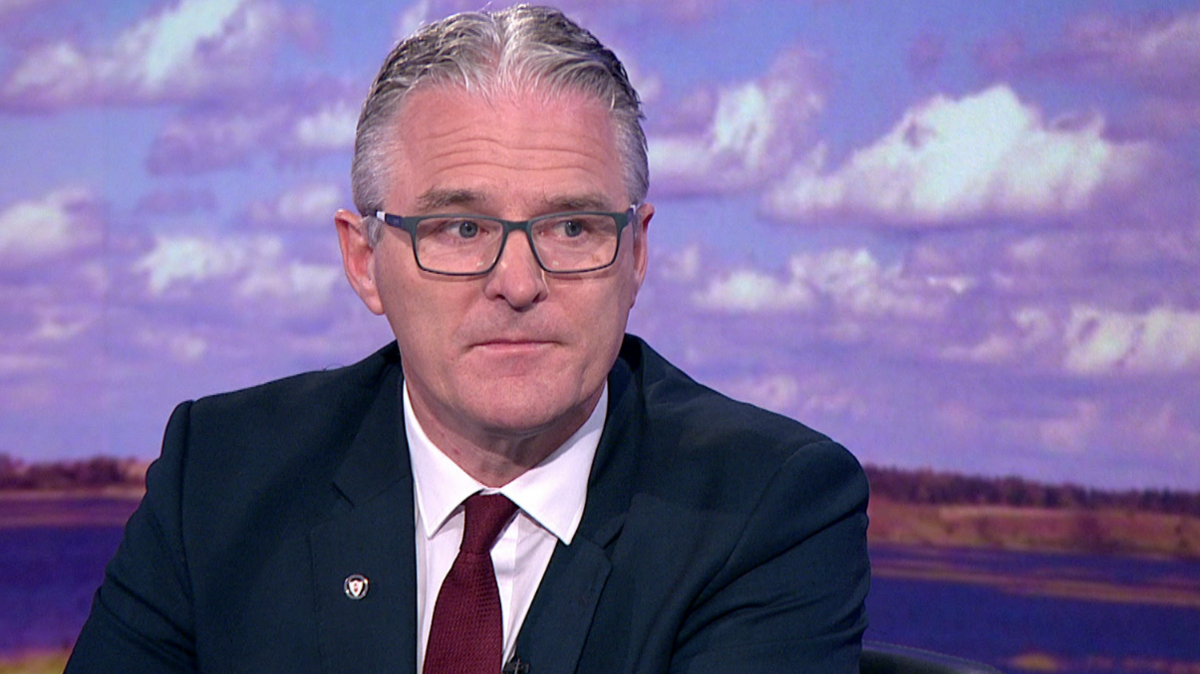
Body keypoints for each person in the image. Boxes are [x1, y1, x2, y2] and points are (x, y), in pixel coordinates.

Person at [66, 5, 869, 673]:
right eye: (460, 227)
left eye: (573, 226)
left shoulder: (769, 506)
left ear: (636, 255)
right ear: (364, 261)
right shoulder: (221, 476)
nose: (518, 282)